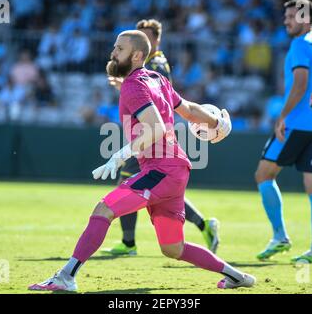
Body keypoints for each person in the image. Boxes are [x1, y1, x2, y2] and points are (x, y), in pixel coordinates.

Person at [29, 30, 255, 291]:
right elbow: (190, 110)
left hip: (162, 169)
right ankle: (237, 276)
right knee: (173, 248)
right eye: (114, 47)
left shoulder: (133, 85)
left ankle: (66, 277)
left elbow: (156, 128)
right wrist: (217, 122)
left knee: (104, 209)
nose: (113, 53)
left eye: (120, 49)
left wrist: (119, 155)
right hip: (174, 169)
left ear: (137, 55)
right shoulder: (157, 79)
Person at [104, 19, 220, 256]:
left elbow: (154, 98)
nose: (142, 39)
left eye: (146, 36)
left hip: (155, 137)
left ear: (155, 40)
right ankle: (202, 224)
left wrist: (124, 85)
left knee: (130, 183)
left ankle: (129, 243)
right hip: (151, 133)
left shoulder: (156, 65)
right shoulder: (153, 65)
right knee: (160, 191)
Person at [255, 0, 312, 264]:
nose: (286, 21)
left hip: (297, 124)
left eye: (291, 17)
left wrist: (282, 116)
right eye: (286, 16)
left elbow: (300, 85)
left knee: (264, 174)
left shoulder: (300, 45)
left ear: (304, 18)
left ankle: (279, 236)